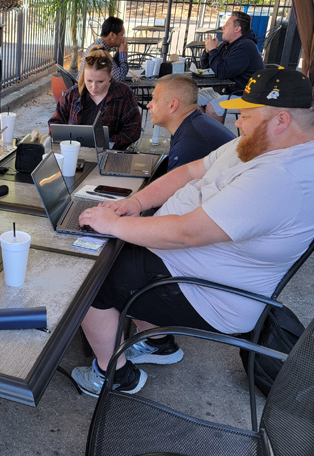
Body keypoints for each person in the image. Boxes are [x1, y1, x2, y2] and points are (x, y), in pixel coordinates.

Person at [71, 68, 314, 397]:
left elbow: (187, 233)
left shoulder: (282, 177)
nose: (237, 123)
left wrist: (114, 224)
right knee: (116, 251)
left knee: (90, 276)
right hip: (188, 264)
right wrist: (136, 202)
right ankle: (158, 343)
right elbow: (191, 170)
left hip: (210, 295)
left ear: (281, 121)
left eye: (244, 115)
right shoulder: (260, 145)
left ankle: (112, 375)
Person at [49, 46, 142, 150]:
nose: (93, 87)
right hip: (75, 152)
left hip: (110, 155)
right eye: (89, 81)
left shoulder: (123, 93)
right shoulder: (74, 93)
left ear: (110, 76)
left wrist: (109, 143)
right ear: (83, 76)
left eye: (100, 82)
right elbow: (55, 121)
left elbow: (134, 129)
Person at [147, 74, 235, 171]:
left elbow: (176, 185)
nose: (148, 105)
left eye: (155, 99)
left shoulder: (189, 144)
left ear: (172, 105)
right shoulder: (194, 123)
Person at [198, 11, 264, 122]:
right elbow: (208, 68)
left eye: (227, 25)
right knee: (189, 100)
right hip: (224, 91)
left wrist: (214, 50)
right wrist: (208, 50)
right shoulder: (227, 45)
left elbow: (223, 72)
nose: (222, 27)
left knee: (213, 108)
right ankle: (202, 134)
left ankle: (216, 138)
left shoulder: (245, 46)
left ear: (237, 29)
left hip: (243, 95)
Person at [78, 16, 129, 82]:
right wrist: (123, 54)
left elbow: (113, 67)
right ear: (112, 35)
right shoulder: (100, 51)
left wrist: (119, 52)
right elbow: (120, 78)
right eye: (122, 35)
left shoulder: (98, 45)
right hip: (89, 90)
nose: (123, 39)